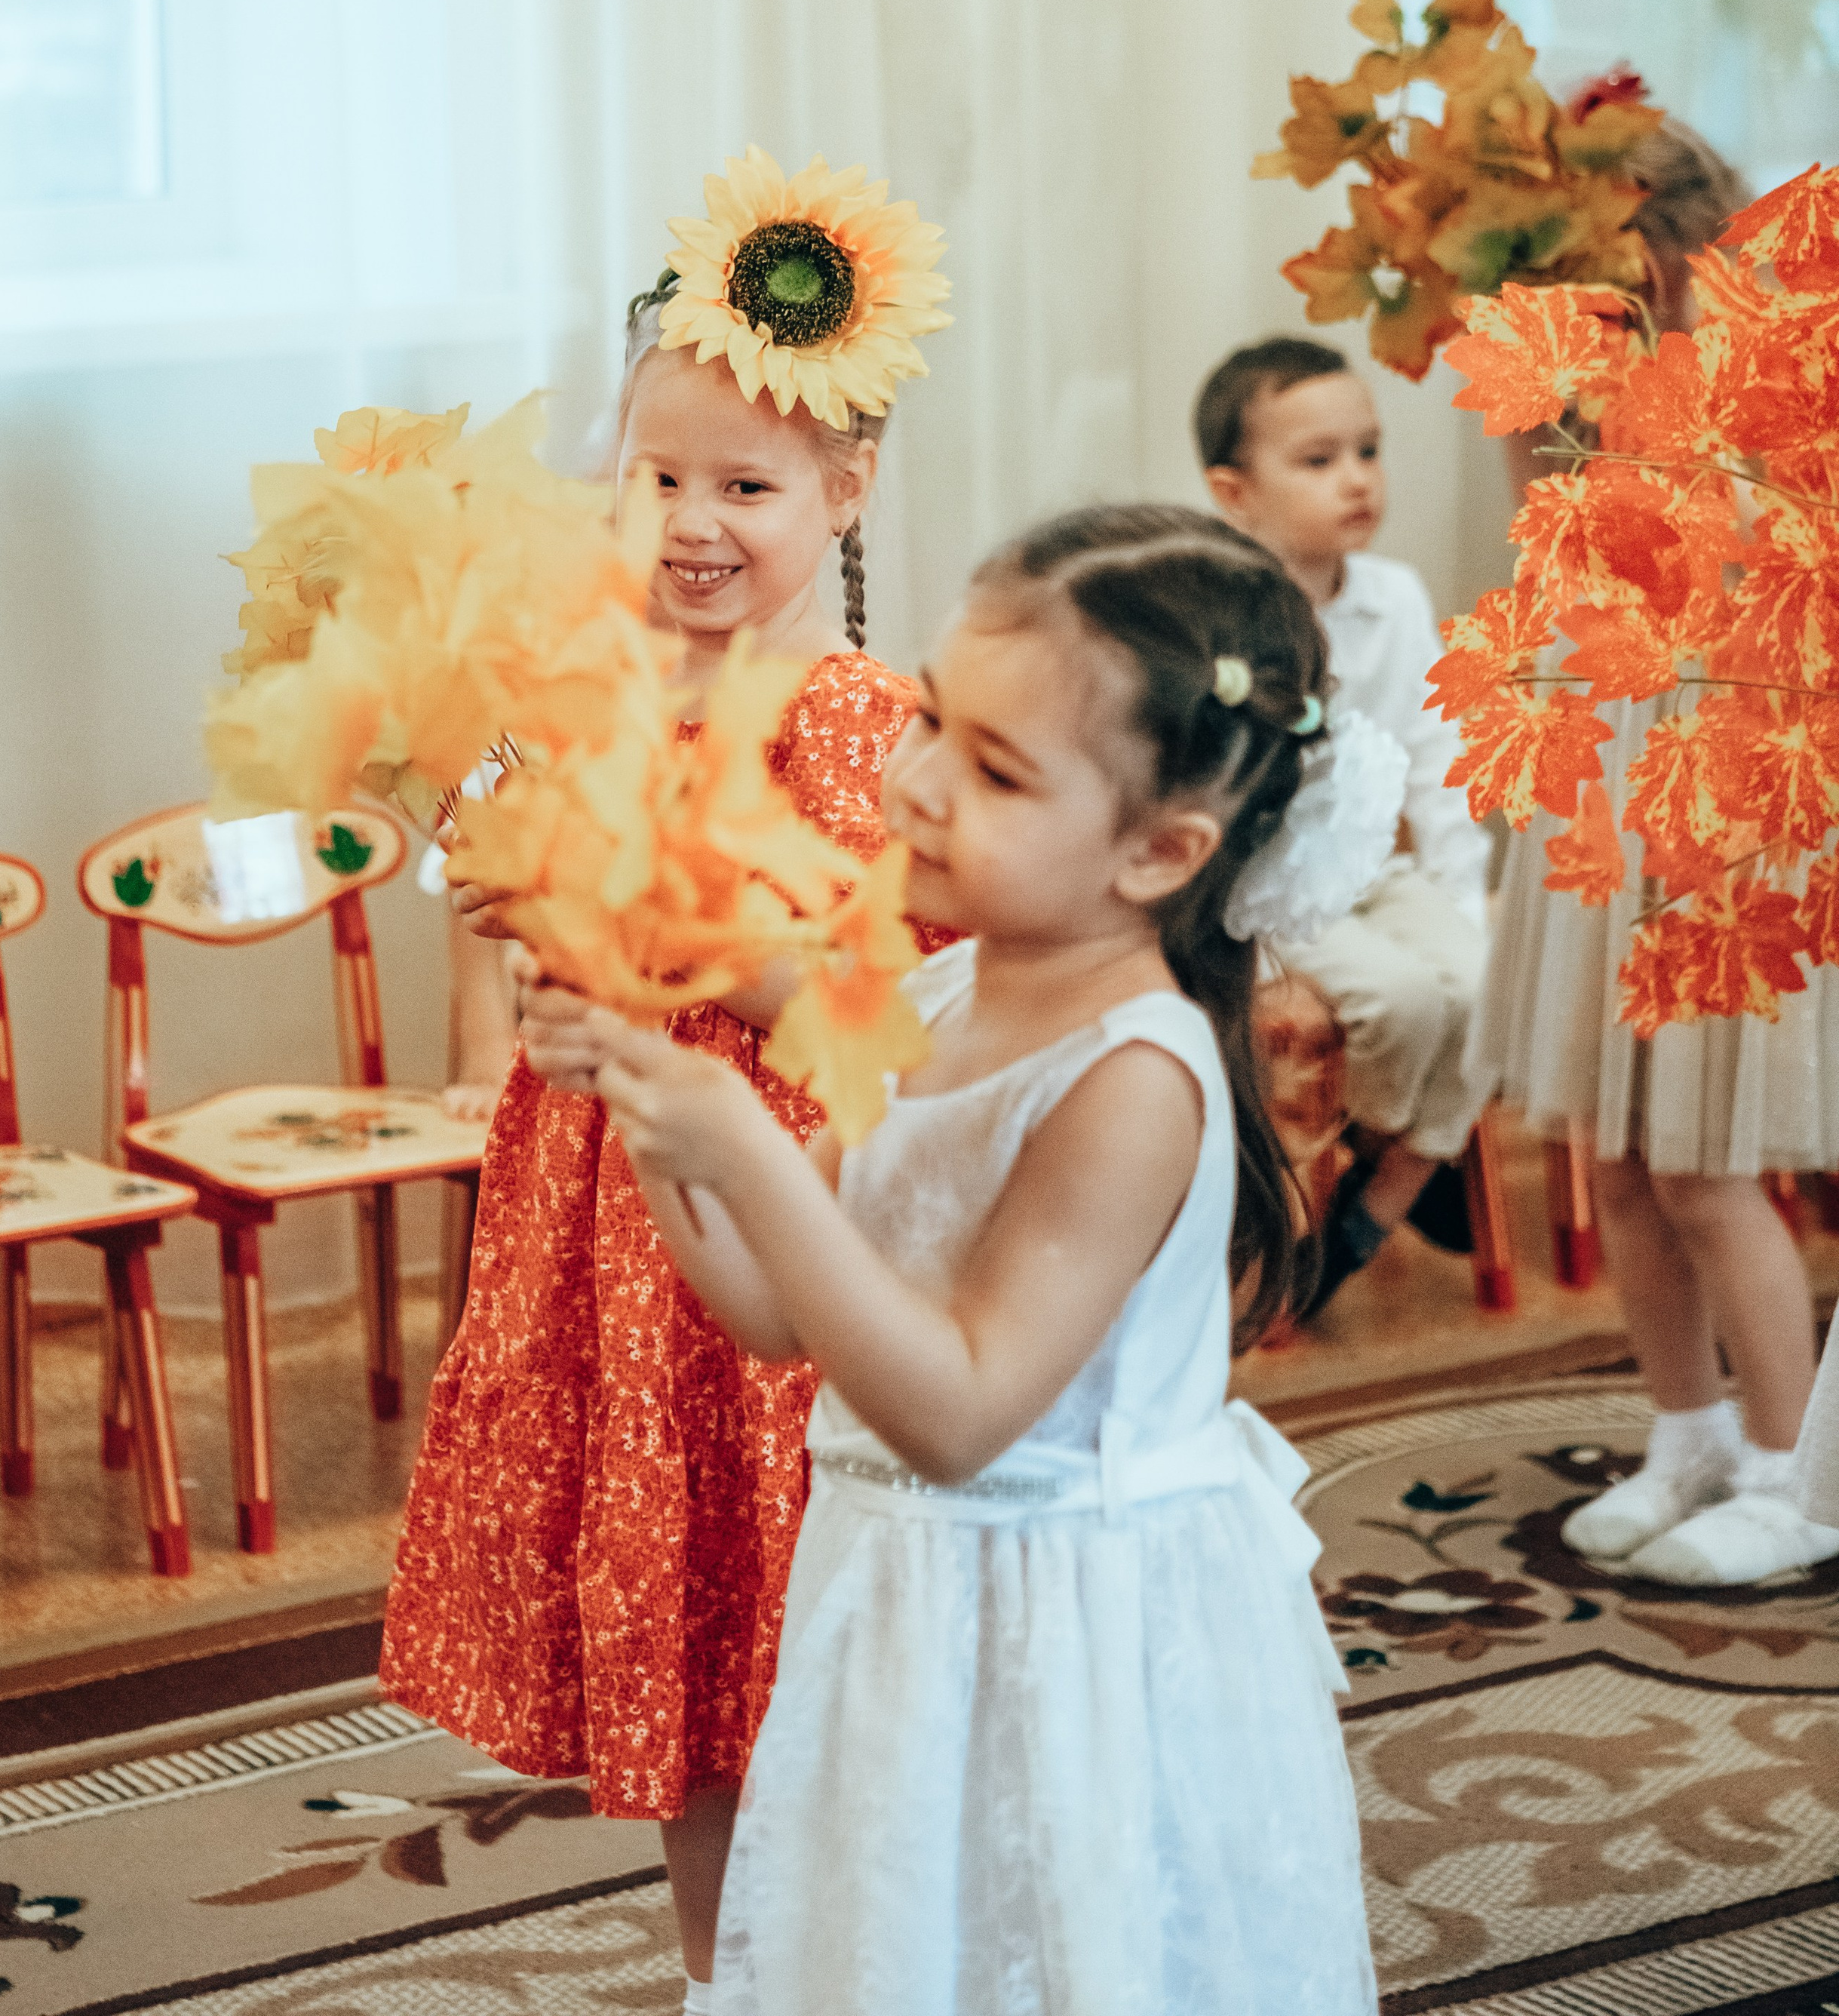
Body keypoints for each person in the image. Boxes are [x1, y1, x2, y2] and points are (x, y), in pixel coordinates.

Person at [527, 506, 1386, 2016]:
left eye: (992, 770)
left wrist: (735, 1139)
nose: (912, 781)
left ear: (1158, 849)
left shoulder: (1136, 1076)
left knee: (1063, 1950)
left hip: (1074, 1629)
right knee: (903, 1939)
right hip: (905, 1597)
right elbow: (775, 1313)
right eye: (930, 716)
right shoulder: (929, 992)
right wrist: (647, 1100)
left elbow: (958, 1410)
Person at [379, 155, 951, 1990]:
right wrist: (542, 972)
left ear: (843, 490)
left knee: (799, 1619)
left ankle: (855, 1954)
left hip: (770, 1219)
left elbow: (874, 1016)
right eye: (655, 477)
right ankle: (723, 1974)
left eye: (746, 485)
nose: (693, 522)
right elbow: (513, 893)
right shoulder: (587, 695)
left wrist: (678, 953)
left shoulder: (856, 717)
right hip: (602, 1209)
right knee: (691, 1650)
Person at [1464, 115, 1839, 1585]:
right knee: (1612, 1151)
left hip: (1718, 794)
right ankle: (1680, 1433)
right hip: (1598, 786)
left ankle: (1784, 1465)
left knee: (1703, 1165)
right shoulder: (1552, 390)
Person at [1198, 336, 1489, 1312]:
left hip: (1376, 875)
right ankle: (1409, 1160)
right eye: (1319, 461)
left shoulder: (1393, 597)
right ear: (1234, 492)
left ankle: (1393, 1174)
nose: (1358, 480)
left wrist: (1461, 896)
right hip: (1268, 884)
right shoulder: (1216, 612)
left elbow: (1437, 760)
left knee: (1489, 984)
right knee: (1406, 1006)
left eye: (1368, 450)